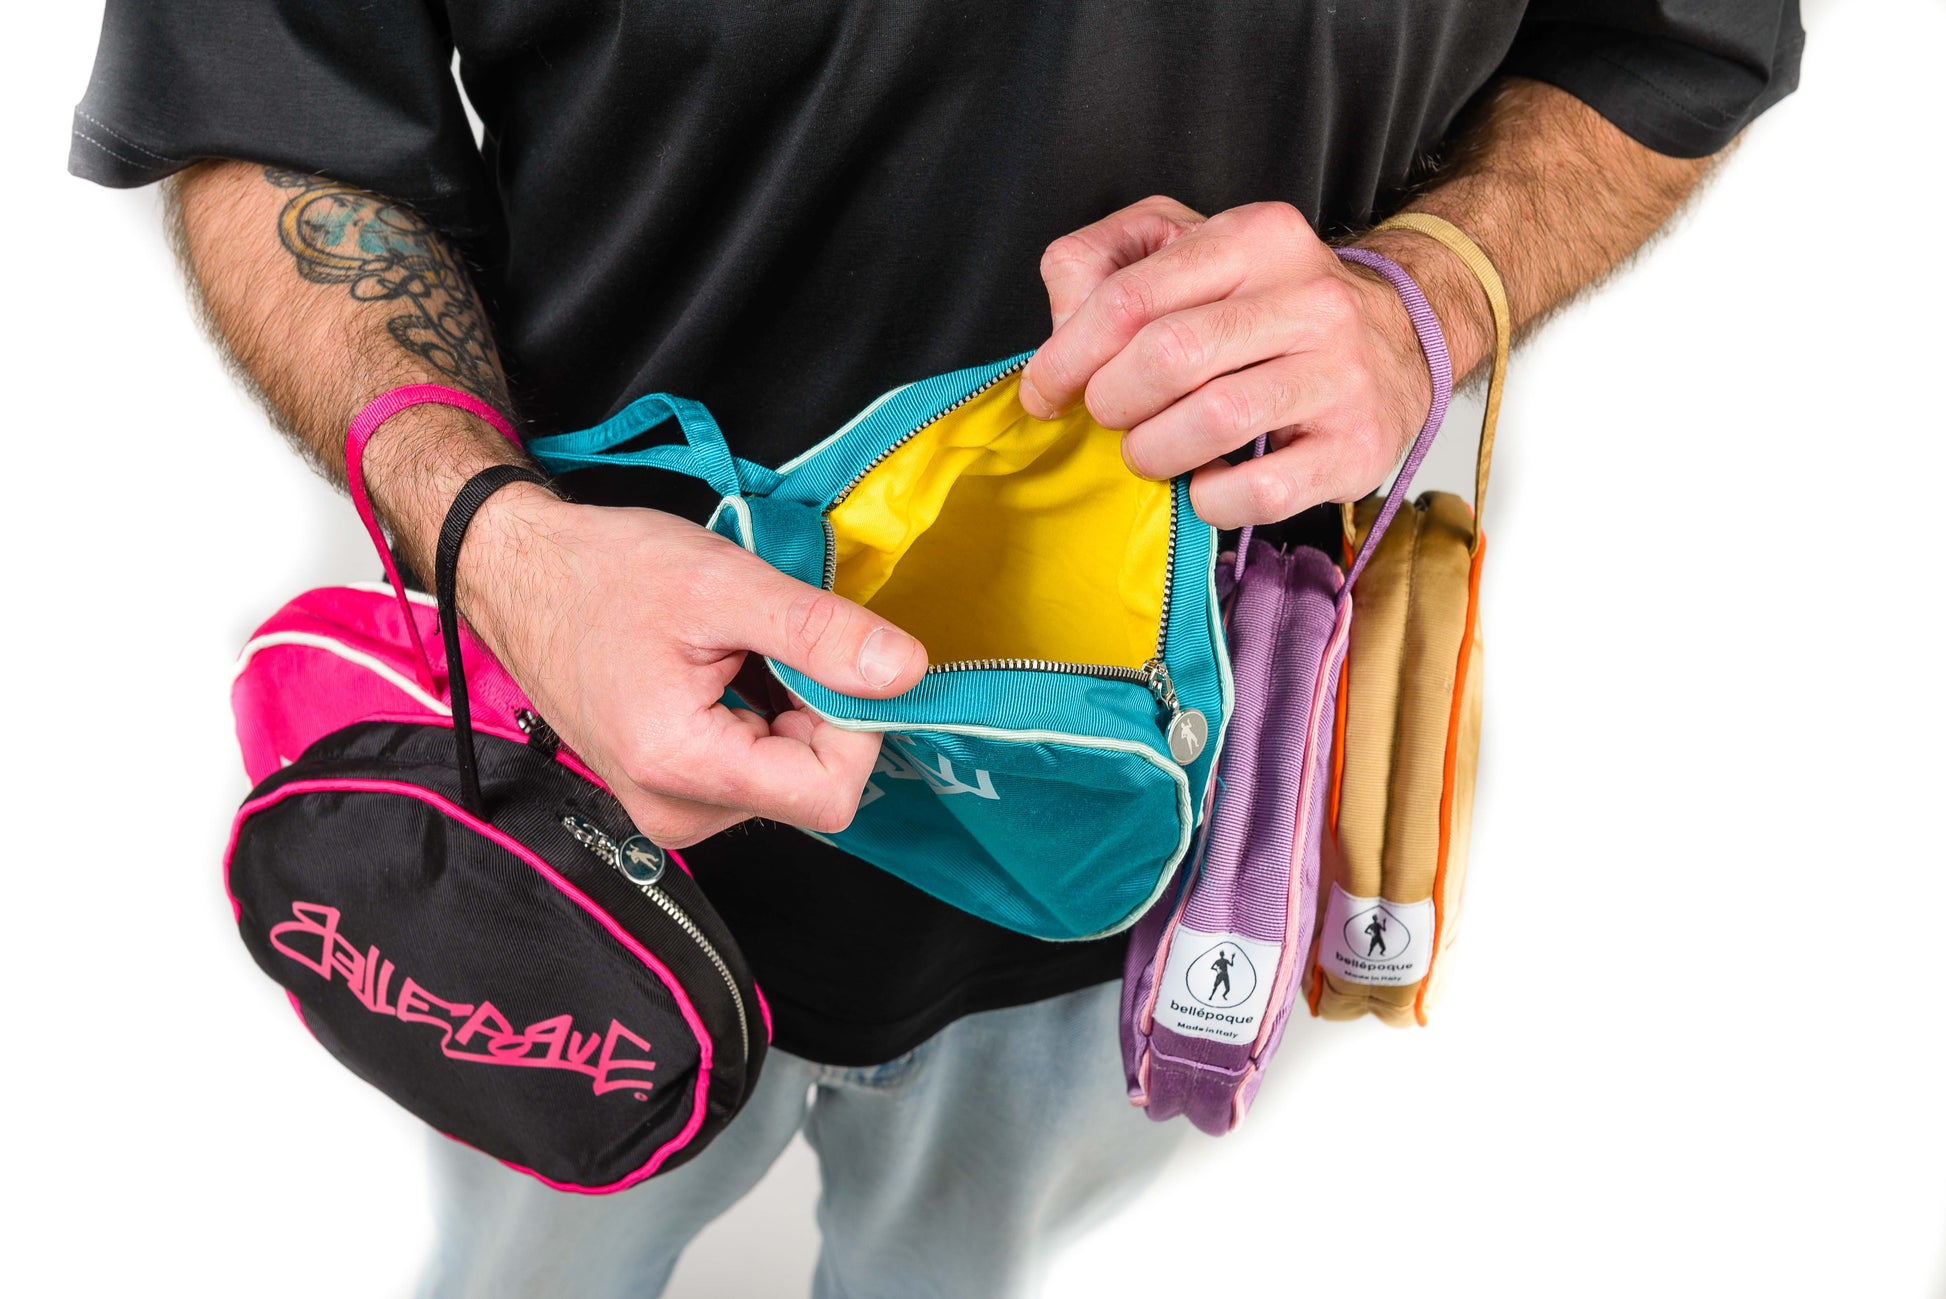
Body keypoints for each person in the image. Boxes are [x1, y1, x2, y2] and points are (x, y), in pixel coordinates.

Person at [71, 4, 1801, 1295]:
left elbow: (1669, 41)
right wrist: (499, 548)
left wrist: (1426, 292)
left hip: (1136, 851)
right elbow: (274, 107)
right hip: (563, 816)